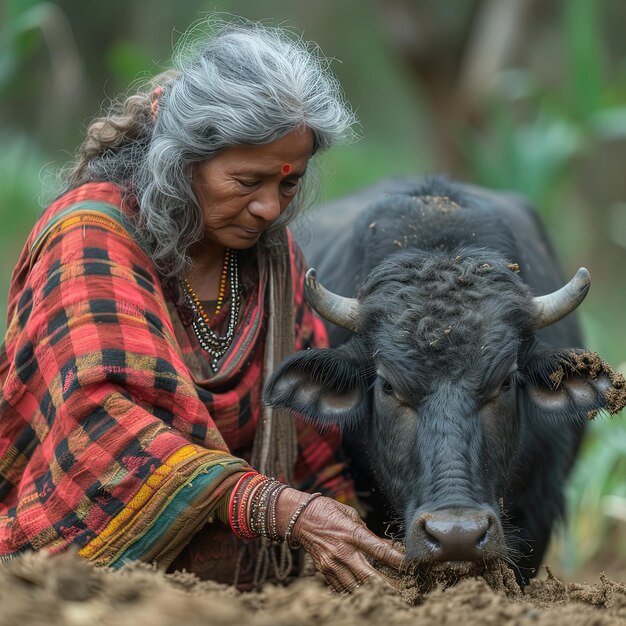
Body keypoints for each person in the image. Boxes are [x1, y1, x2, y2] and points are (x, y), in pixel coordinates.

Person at [0, 19, 404, 592]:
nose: (270, 208)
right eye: (247, 181)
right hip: (73, 571)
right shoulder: (91, 233)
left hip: (237, 576)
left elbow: (306, 426)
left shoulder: (270, 258)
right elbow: (104, 419)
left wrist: (352, 537)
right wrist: (274, 507)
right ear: (182, 158)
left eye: (289, 185)